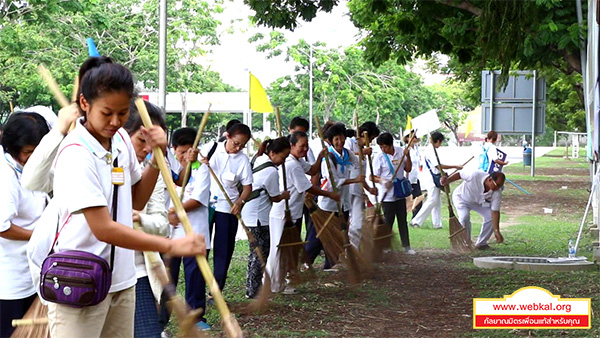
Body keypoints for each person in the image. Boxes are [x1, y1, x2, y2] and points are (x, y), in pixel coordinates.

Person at [49, 56, 206, 337]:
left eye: (122, 113)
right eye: (106, 113)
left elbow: (134, 201)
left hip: (121, 280)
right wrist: (171, 245)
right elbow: (104, 228)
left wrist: (157, 161)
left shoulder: (120, 139)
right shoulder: (76, 153)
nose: (115, 121)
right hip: (79, 278)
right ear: (85, 104)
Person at [123, 100, 175, 336]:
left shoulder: (155, 169)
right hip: (97, 273)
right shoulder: (101, 160)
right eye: (140, 141)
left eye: (152, 143)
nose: (145, 148)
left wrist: (140, 219)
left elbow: (162, 225)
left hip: (137, 271)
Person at [0, 112, 50, 337]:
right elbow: (2, 227)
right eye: (29, 152)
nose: (34, 158)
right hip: (10, 282)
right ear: (12, 147)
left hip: (32, 274)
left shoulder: (33, 171)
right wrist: (39, 234)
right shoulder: (5, 175)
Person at [270, 131, 339, 292]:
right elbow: (308, 187)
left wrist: (321, 156)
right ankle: (274, 284)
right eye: (302, 146)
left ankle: (279, 282)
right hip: (282, 213)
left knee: (286, 250)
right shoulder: (291, 164)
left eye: (307, 146)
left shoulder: (298, 161)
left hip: (292, 212)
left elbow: (313, 170)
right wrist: (330, 194)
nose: (305, 149)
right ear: (291, 146)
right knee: (278, 250)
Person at [165, 127, 212, 331]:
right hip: (172, 233)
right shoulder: (170, 170)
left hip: (195, 231)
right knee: (169, 276)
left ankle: (196, 316)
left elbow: (198, 200)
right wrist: (169, 214)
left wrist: (176, 209)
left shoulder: (202, 170)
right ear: (173, 149)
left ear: (195, 149)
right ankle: (162, 318)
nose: (184, 156)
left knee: (195, 274)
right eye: (181, 152)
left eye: (188, 152)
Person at [201, 123, 253, 294]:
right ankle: (198, 286)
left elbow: (247, 188)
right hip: (206, 205)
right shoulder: (211, 148)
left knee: (223, 251)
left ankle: (216, 291)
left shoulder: (243, 160)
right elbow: (190, 164)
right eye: (235, 143)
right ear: (227, 136)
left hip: (229, 208)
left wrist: (240, 202)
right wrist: (198, 161)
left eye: (242, 145)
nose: (238, 148)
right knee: (202, 248)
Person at [241, 137, 290, 298]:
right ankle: (253, 290)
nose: (283, 162)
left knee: (255, 253)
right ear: (273, 153)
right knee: (260, 253)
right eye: (282, 158)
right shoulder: (271, 172)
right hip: (258, 217)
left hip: (251, 213)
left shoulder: (260, 158)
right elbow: (275, 197)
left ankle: (252, 287)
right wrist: (284, 195)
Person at [371, 132, 414, 254]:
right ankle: (386, 246)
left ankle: (406, 246)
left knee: (402, 219)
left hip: (400, 191)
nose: (383, 149)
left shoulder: (401, 151)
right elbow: (372, 177)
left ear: (391, 145)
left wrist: (408, 156)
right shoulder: (379, 158)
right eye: (381, 147)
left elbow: (408, 169)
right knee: (388, 219)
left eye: (385, 146)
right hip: (387, 194)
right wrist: (383, 181)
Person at [410, 131, 463, 229]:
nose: (441, 144)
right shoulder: (431, 151)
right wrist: (455, 166)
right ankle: (416, 221)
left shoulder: (431, 149)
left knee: (437, 200)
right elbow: (438, 166)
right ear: (438, 141)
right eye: (441, 142)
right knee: (432, 199)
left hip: (432, 177)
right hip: (431, 178)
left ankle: (437, 223)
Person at [441, 171, 506, 249]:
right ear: (489, 180)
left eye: (500, 186)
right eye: (497, 185)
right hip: (461, 198)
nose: (498, 188)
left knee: (490, 216)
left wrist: (496, 231)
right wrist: (447, 180)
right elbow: (460, 174)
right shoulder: (475, 175)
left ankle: (481, 243)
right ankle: (466, 243)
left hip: (479, 202)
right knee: (464, 217)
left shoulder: (497, 192)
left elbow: (495, 212)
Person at [346, 122, 380, 248]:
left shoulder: (365, 150)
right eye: (370, 138)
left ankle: (353, 248)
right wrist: (362, 152)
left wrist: (369, 189)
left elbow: (361, 175)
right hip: (347, 187)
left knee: (358, 222)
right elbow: (344, 157)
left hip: (358, 189)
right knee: (348, 221)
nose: (370, 142)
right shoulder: (349, 142)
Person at [403, 131, 423, 218]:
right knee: (408, 200)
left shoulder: (416, 149)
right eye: (413, 137)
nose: (415, 139)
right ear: (407, 138)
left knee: (418, 198)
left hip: (415, 177)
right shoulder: (406, 149)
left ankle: (415, 217)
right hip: (408, 178)